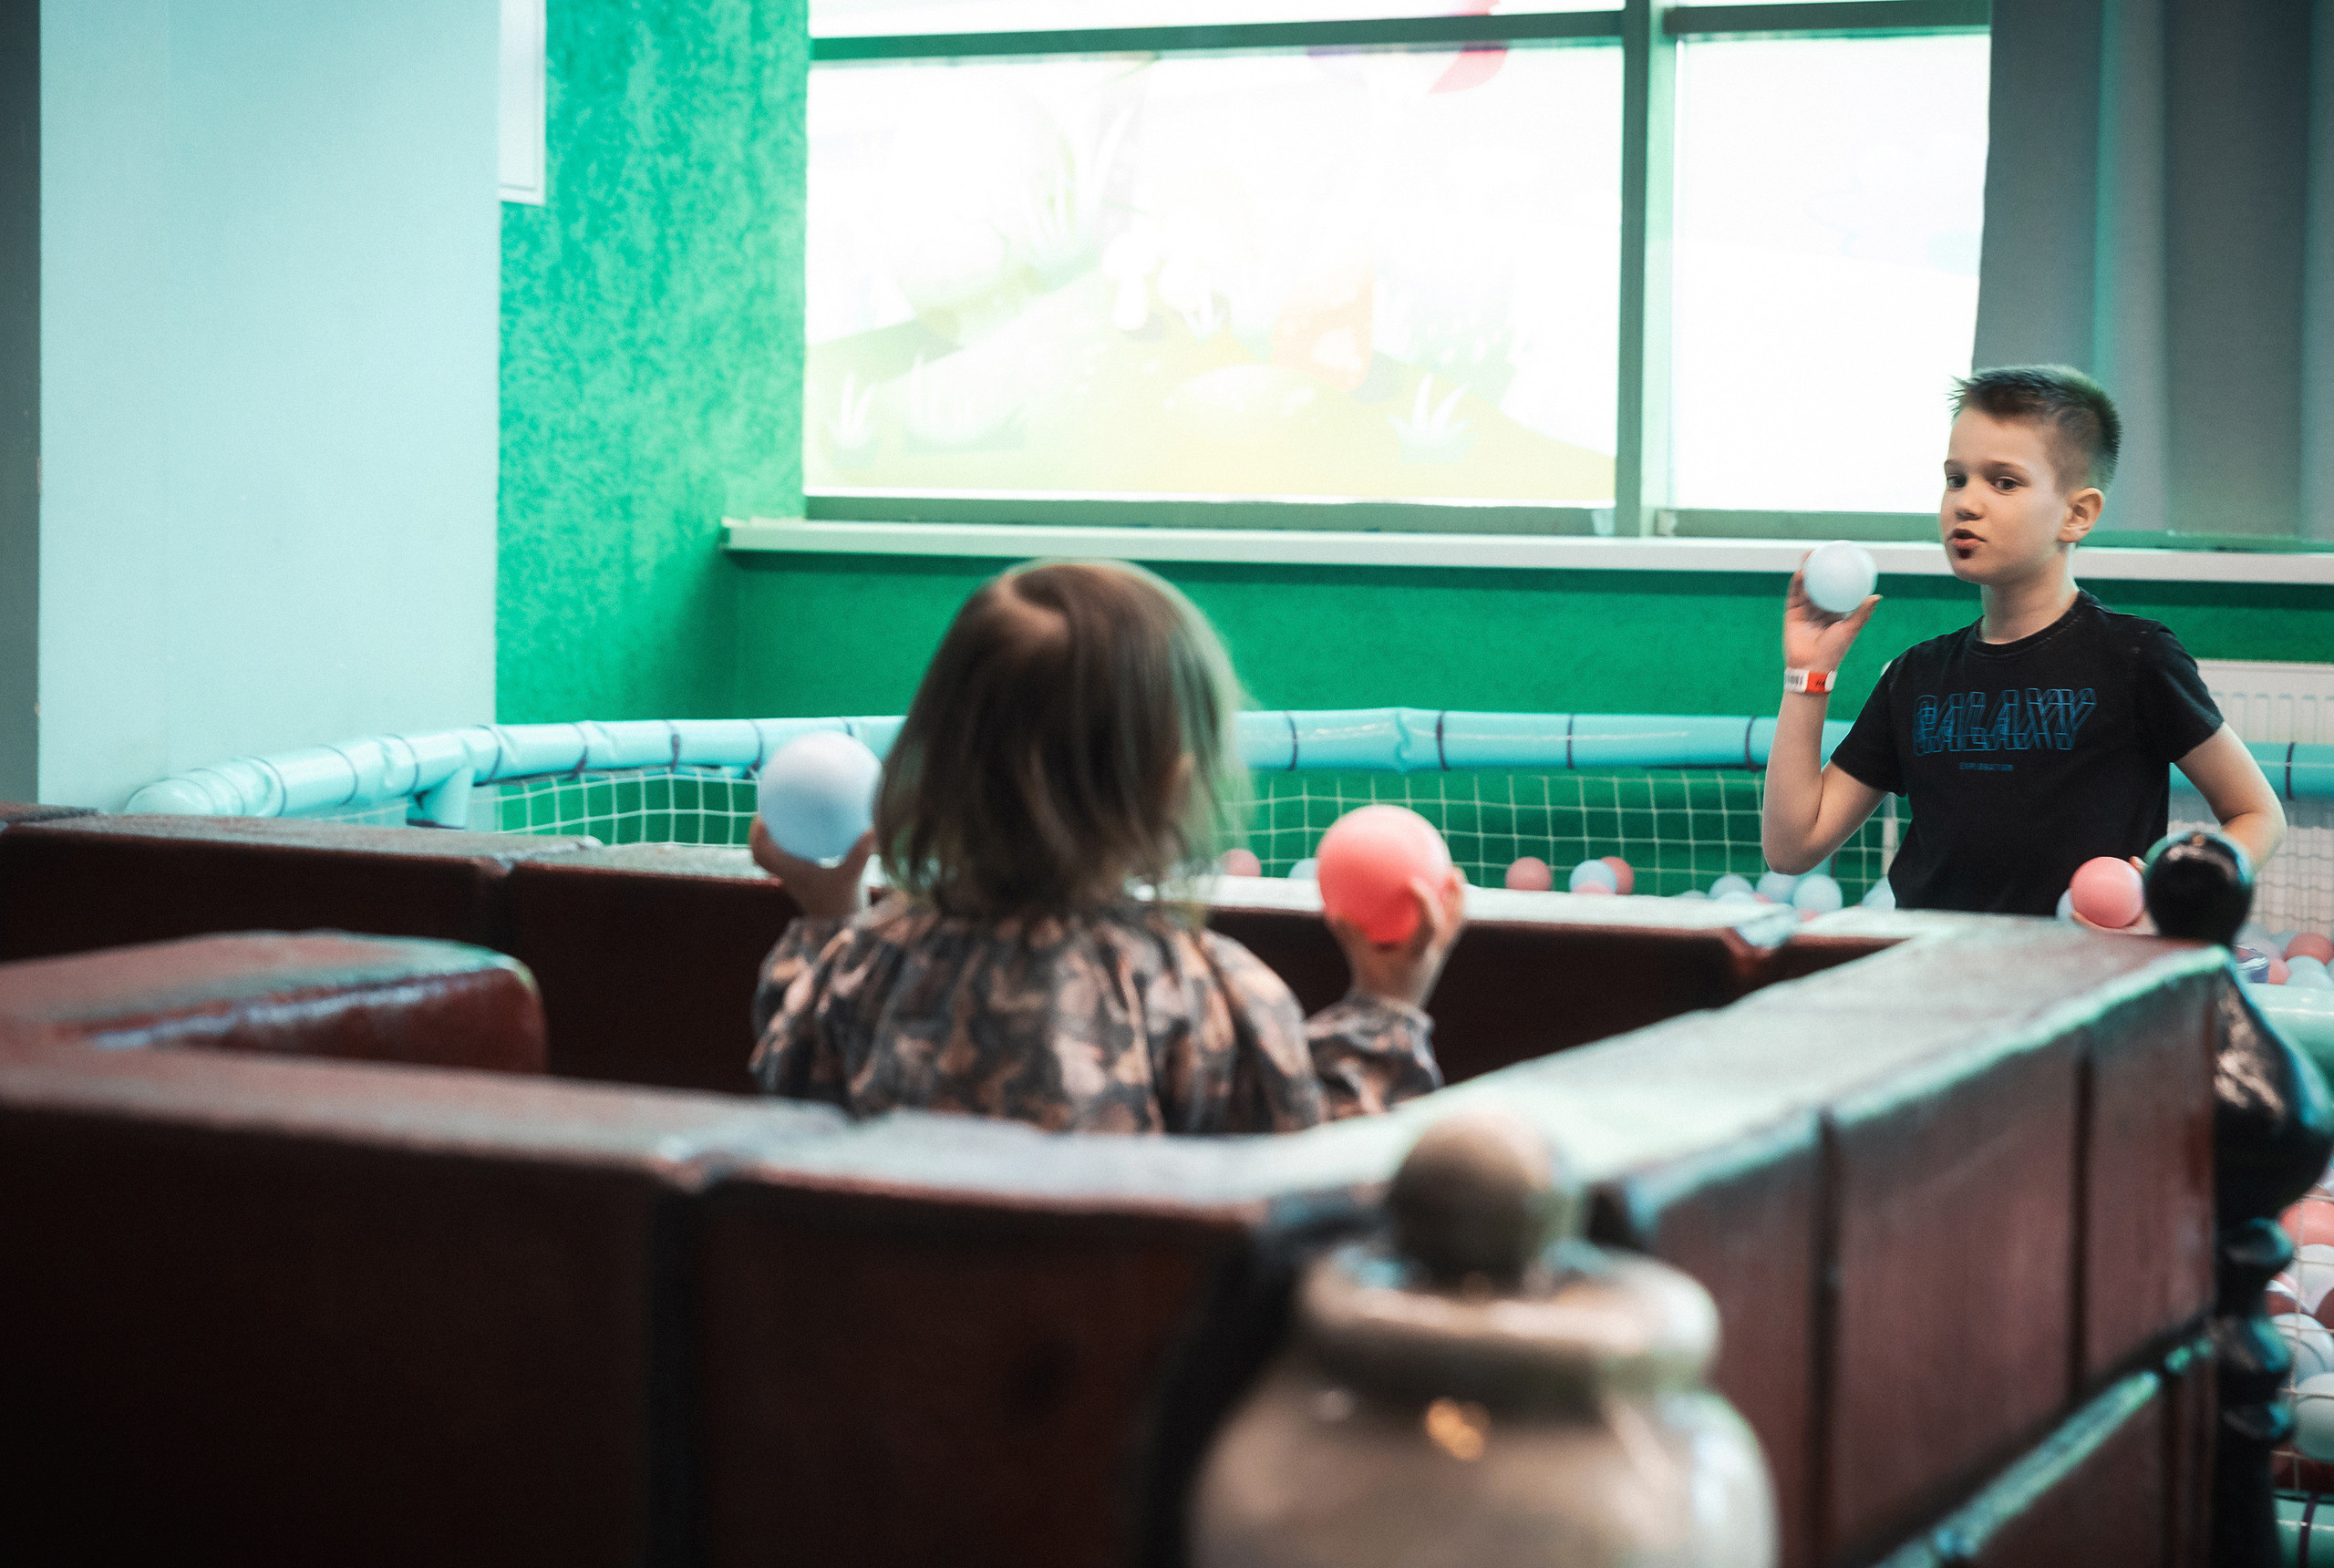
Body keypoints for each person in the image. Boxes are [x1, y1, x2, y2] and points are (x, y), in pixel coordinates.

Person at [747, 560, 1463, 1133]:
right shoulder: (1208, 997)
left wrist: (828, 918)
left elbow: (791, 1081)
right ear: (1172, 785)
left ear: (946, 759)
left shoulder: (864, 966)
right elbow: (1311, 1166)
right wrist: (1385, 1009)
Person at [1761, 366, 2286, 920]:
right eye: (1956, 479)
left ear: (2077, 515)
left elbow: (2257, 814)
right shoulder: (1915, 677)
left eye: (2004, 482)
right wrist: (1808, 673)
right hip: (1937, 963)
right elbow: (1792, 848)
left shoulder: (2136, 657)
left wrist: (2164, 898)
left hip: (2078, 966)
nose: (1966, 503)